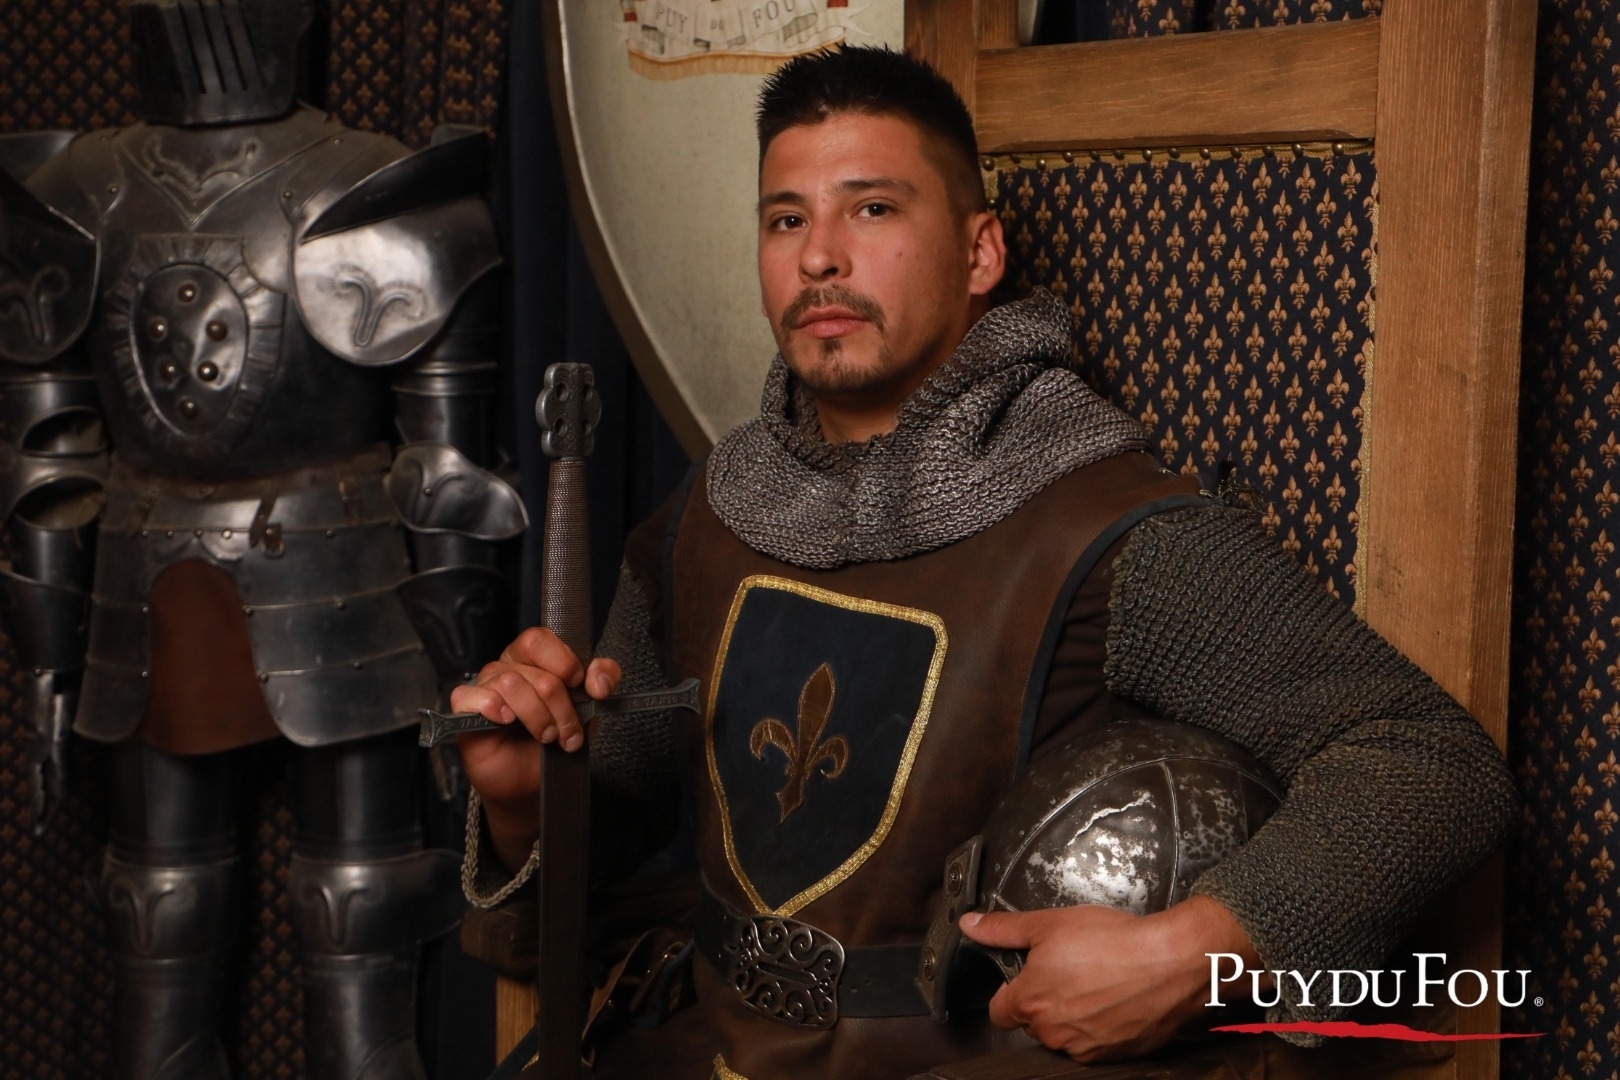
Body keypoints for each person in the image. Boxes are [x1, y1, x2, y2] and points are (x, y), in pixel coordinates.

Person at [452, 46, 1517, 1080]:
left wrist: (1195, 952)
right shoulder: (712, 513)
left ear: (980, 256)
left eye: (872, 209)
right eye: (787, 219)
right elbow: (619, 804)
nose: (819, 257)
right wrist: (519, 799)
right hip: (712, 1046)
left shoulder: (1103, 526)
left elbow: (1431, 763)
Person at [0, 1, 519, 1076]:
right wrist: (47, 665)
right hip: (152, 581)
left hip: (342, 572)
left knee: (355, 908)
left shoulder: (369, 184)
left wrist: (463, 683)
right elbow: (45, 462)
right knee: (160, 911)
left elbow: (444, 474)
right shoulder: (76, 187)